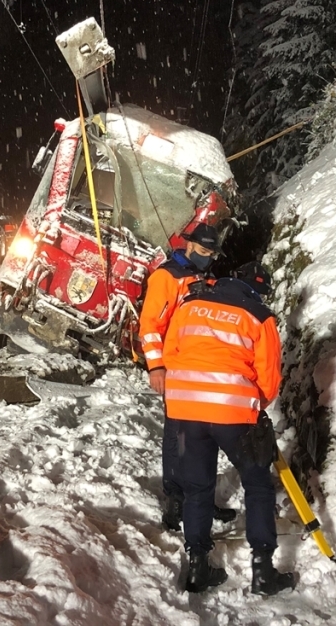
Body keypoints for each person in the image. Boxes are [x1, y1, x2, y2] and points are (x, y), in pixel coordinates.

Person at [162, 267, 296, 595]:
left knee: (196, 488)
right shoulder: (259, 316)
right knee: (257, 483)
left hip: (184, 408)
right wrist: (254, 406)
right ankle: (263, 571)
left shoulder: (189, 306)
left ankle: (197, 568)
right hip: (232, 408)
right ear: (254, 293)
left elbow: (170, 355)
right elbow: (268, 378)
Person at [139, 222, 236, 530]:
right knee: (178, 436)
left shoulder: (202, 277)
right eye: (204, 252)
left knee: (201, 438)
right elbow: (150, 326)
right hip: (175, 368)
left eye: (212, 254)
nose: (208, 258)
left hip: (201, 368)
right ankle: (176, 499)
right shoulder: (166, 277)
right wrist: (156, 366)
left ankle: (199, 501)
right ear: (190, 246)